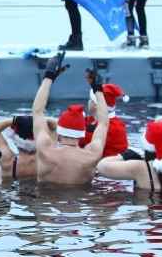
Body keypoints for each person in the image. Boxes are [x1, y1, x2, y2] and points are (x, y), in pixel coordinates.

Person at [32, 53, 108, 185]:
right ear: (82, 134)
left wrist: (49, 76)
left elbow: (37, 111)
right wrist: (98, 89)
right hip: (82, 203)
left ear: (59, 132)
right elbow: (103, 124)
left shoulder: (46, 150)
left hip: (47, 202)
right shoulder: (92, 154)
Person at [80, 83, 130, 158]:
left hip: (110, 166)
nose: (88, 102)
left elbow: (77, 142)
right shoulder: (92, 119)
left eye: (90, 99)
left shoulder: (111, 127)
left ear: (96, 104)